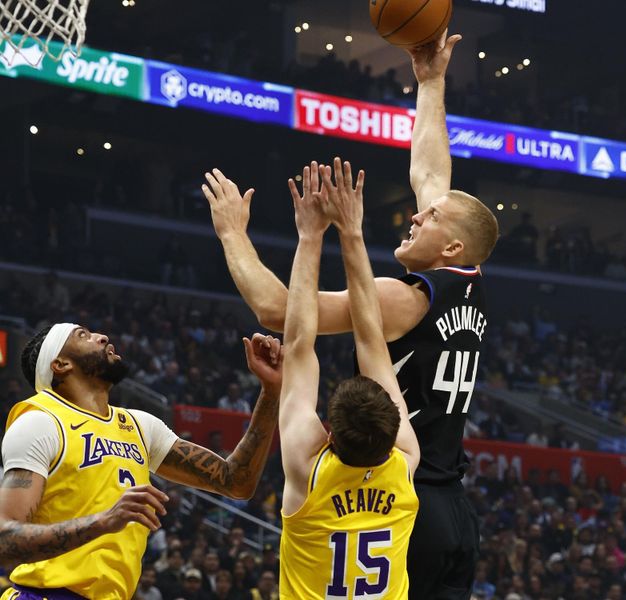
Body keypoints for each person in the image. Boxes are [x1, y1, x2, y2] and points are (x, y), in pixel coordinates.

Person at [203, 30, 497, 600]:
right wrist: (431, 83)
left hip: (396, 490)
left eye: (427, 219)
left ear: (452, 246)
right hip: (453, 503)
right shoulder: (469, 282)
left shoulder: (403, 298)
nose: (415, 217)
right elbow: (433, 178)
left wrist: (234, 236)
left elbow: (276, 311)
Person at [0, 323, 283, 599]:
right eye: (83, 335)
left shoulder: (139, 426)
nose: (102, 336)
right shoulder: (40, 422)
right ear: (60, 364)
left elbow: (235, 481)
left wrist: (270, 392)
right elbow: (4, 539)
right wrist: (103, 521)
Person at [277, 159, 420, 598]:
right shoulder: (405, 463)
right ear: (394, 430)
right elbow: (372, 342)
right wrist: (352, 233)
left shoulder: (309, 468)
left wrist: (312, 235)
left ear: (329, 436)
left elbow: (300, 341)